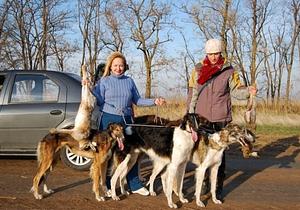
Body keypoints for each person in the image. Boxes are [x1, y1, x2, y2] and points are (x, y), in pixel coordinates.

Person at [188, 39, 256, 199]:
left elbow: (236, 91)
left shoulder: (230, 70)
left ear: (221, 53)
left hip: (221, 118)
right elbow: (193, 94)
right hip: (202, 118)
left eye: (216, 53)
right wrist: (190, 115)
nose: (213, 57)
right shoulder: (197, 70)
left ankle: (217, 187)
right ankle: (204, 182)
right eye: (210, 54)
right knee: (203, 152)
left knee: (219, 155)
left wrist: (248, 91)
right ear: (206, 53)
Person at [93, 51, 166, 196]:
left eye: (121, 65)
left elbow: (137, 100)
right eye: (115, 65)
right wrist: (90, 89)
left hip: (126, 121)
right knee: (108, 154)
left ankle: (134, 184)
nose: (118, 68)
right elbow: (99, 101)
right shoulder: (104, 81)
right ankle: (106, 185)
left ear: (125, 66)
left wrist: (154, 101)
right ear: (110, 66)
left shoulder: (129, 81)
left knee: (131, 152)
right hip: (108, 120)